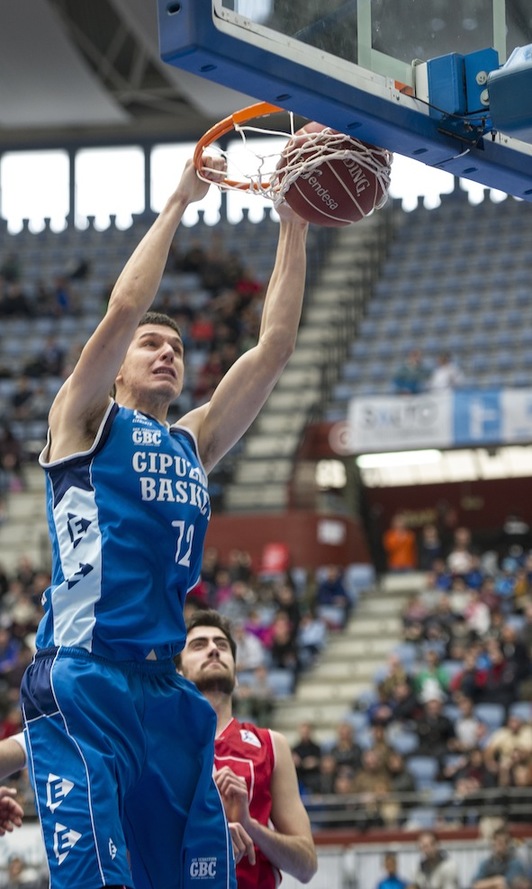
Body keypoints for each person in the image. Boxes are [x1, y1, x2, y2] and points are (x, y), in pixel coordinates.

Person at [18, 156, 309, 889]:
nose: (168, 352)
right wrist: (180, 199)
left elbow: (273, 348)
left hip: (164, 693)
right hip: (85, 673)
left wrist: (294, 222)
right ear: (117, 367)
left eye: (177, 347)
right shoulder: (84, 418)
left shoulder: (194, 441)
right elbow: (121, 311)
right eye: (154, 344)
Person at [176, 609, 318, 889]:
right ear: (178, 673)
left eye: (222, 645)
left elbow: (306, 866)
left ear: (237, 676)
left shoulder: (271, 745)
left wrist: (250, 826)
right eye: (199, 645)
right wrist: (209, 834)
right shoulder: (156, 746)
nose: (214, 650)